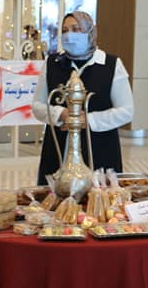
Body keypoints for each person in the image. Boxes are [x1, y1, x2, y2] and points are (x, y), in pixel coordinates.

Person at [32, 11, 134, 183]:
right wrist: (61, 114)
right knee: (56, 203)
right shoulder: (53, 63)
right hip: (58, 148)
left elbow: (126, 111)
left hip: (100, 147)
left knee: (99, 203)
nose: (69, 35)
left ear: (90, 32)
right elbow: (37, 106)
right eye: (64, 30)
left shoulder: (110, 65)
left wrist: (88, 120)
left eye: (76, 29)